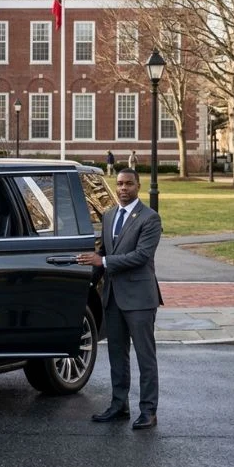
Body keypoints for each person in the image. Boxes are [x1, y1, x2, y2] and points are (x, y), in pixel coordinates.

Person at [76, 168, 163, 430]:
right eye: (120, 184)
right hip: (112, 296)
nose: (123, 188)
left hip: (139, 297)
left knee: (145, 357)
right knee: (117, 354)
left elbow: (141, 256)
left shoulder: (150, 218)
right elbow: (103, 251)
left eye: (129, 184)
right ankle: (118, 405)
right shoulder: (110, 214)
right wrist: (88, 278)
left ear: (138, 186)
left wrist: (102, 260)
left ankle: (148, 411)